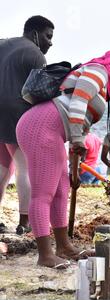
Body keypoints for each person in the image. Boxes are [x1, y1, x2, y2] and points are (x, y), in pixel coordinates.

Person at [16, 49, 110, 269]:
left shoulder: (101, 80)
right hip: (40, 127)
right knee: (43, 194)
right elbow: (78, 101)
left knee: (62, 189)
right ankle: (45, 256)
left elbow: (79, 127)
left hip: (51, 131)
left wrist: (75, 169)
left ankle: (63, 247)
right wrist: (78, 139)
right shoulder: (99, 71)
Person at [0, 16, 54, 235]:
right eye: (48, 36)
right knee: (25, 168)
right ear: (35, 34)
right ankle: (25, 222)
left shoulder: (2, 43)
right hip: (17, 114)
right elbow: (40, 94)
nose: (50, 42)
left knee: (3, 168)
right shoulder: (36, 55)